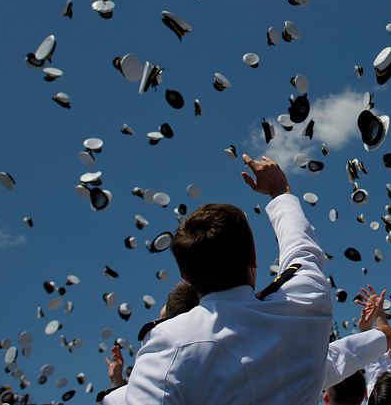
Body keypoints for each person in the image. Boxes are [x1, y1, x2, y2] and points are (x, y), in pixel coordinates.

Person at [122, 154, 332, 404]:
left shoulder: (169, 344)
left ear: (186, 277)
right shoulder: (306, 303)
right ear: (253, 257)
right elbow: (303, 250)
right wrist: (280, 191)